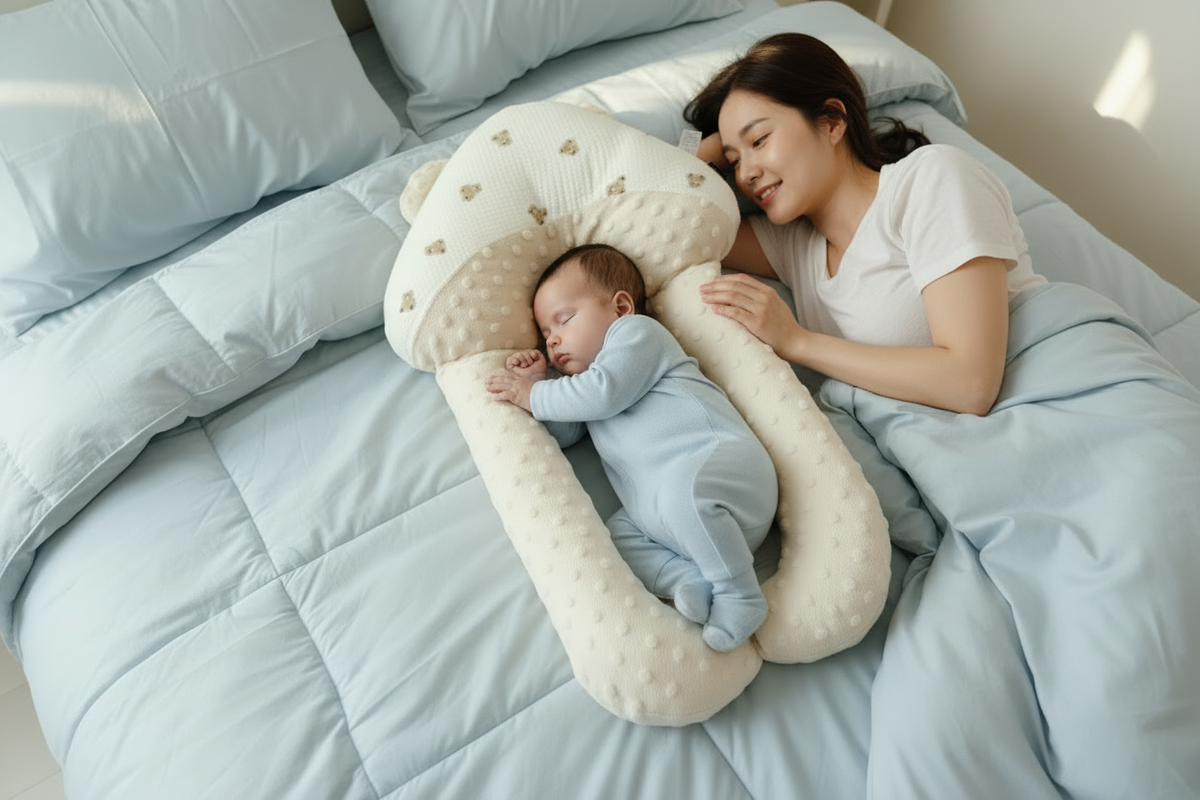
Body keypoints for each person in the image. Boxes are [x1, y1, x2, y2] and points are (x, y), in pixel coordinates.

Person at [687, 33, 1045, 415]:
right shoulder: (793, 248)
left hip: (1055, 395)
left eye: (758, 140)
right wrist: (705, 153)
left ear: (831, 121)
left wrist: (796, 341)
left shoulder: (931, 180)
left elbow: (971, 384)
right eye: (734, 161)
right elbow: (667, 215)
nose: (747, 175)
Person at [485, 243, 778, 651]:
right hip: (676, 525)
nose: (553, 341)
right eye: (546, 334)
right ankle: (688, 579)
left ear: (620, 308)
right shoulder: (585, 385)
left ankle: (740, 594)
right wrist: (542, 387)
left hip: (721, 471)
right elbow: (569, 433)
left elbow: (603, 395)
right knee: (616, 539)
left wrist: (532, 394)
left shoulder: (637, 335)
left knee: (683, 496)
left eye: (564, 320)